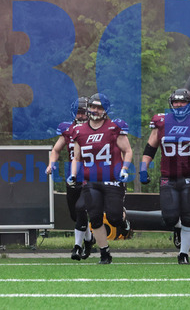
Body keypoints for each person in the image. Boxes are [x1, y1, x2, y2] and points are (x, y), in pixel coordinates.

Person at [140, 88, 190, 264]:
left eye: (182, 102)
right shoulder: (161, 121)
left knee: (188, 217)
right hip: (168, 177)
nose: (179, 105)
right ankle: (177, 229)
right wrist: (143, 168)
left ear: (189, 104)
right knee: (169, 218)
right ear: (171, 103)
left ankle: (183, 254)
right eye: (176, 102)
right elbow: (150, 149)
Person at [67, 93, 133, 264]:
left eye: (99, 107)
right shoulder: (79, 130)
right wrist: (73, 174)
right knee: (95, 218)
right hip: (91, 182)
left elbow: (127, 150)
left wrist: (125, 168)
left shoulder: (114, 127)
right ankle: (105, 253)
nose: (95, 110)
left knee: (114, 218)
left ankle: (123, 220)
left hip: (112, 179)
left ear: (106, 110)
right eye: (92, 106)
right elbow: (76, 158)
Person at [46, 96, 95, 261]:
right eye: (78, 112)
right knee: (76, 215)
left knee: (81, 211)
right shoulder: (67, 129)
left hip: (90, 176)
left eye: (83, 112)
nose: (81, 115)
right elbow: (56, 149)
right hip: (72, 176)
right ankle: (89, 239)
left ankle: (77, 247)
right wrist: (51, 164)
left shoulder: (96, 129)